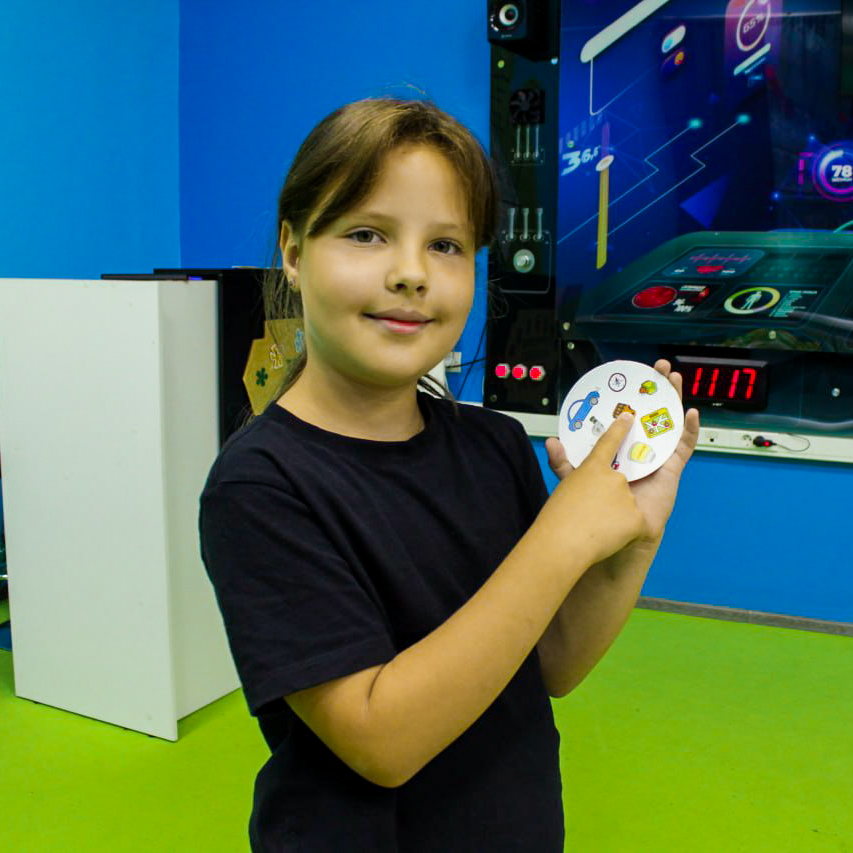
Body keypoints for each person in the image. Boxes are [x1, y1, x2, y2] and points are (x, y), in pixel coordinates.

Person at [198, 97, 700, 852]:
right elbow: (381, 741)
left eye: (446, 245)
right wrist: (561, 537)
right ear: (293, 251)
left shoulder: (495, 444)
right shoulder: (261, 485)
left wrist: (631, 541)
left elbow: (553, 663)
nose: (411, 274)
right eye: (366, 234)